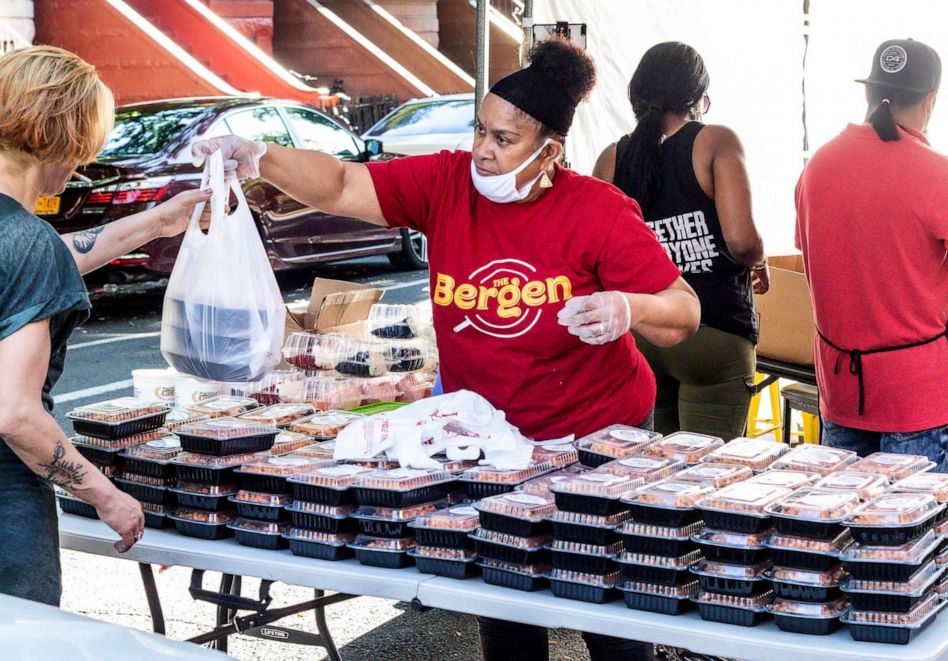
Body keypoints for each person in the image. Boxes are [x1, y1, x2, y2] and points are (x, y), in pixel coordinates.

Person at [194, 37, 699, 661]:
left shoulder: (597, 211)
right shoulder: (444, 183)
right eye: (480, 130)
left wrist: (629, 307)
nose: (483, 151)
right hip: (491, 439)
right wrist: (260, 156)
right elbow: (344, 183)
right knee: (504, 602)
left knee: (602, 601)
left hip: (594, 433)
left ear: (550, 152)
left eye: (504, 140)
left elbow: (683, 310)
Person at [0, 46, 212, 605]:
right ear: (67, 139)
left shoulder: (22, 242)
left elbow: (39, 260)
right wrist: (106, 496)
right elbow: (16, 413)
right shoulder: (25, 241)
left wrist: (162, 219)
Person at [795, 38, 948, 473]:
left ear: (868, 93)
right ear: (930, 101)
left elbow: (818, 261)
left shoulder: (818, 168)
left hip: (841, 387)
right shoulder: (941, 173)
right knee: (909, 533)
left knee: (840, 527)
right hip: (916, 395)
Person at [593, 42, 768, 440]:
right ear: (699, 99)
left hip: (641, 331)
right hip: (713, 332)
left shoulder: (611, 158)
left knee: (658, 478)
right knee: (710, 477)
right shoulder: (715, 142)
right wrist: (759, 260)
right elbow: (742, 242)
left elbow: (595, 255)